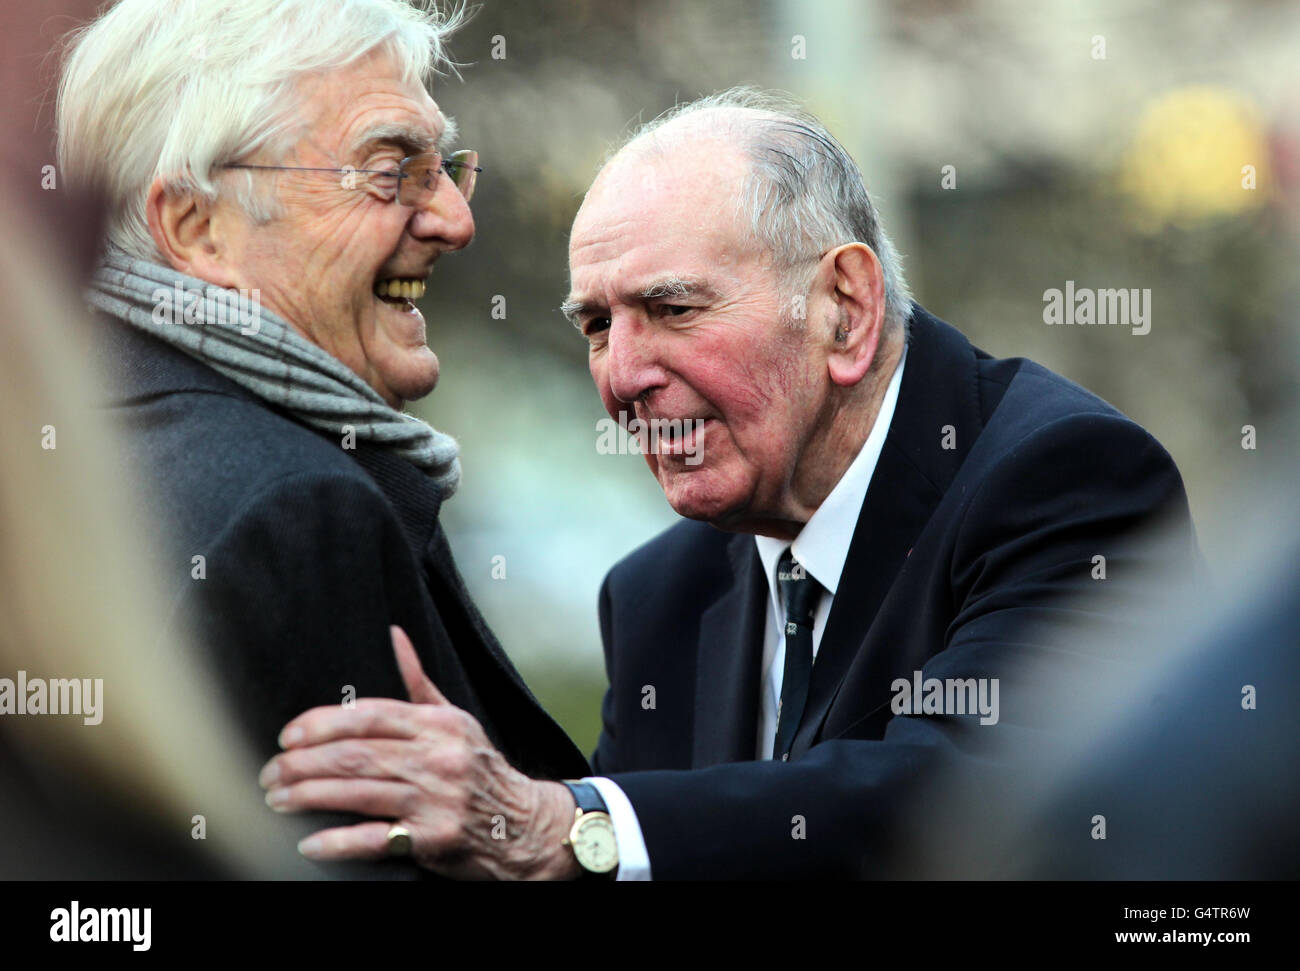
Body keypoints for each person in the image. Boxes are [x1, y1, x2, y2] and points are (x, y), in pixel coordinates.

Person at [260, 88, 1200, 879]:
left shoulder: (1066, 482)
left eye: (672, 307)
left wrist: (568, 825)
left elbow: (969, 799)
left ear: (844, 309)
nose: (623, 376)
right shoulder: (660, 595)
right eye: (597, 325)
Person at [58, 0, 587, 876]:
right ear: (196, 226)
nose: (455, 221)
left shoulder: (73, 462)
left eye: (444, 169)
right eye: (390, 171)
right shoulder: (298, 512)